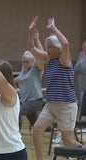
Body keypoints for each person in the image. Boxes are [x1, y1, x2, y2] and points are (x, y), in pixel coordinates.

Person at [28, 16, 83, 160]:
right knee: (37, 129)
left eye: (50, 46)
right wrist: (30, 30)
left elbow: (65, 43)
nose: (47, 49)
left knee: (68, 142)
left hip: (66, 106)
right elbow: (31, 47)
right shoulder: (47, 58)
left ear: (58, 49)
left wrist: (53, 28)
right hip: (51, 105)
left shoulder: (64, 60)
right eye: (47, 46)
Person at [14, 49, 45, 130]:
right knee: (36, 125)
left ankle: (16, 136)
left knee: (17, 112)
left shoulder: (36, 69)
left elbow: (42, 59)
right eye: (23, 62)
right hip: (25, 101)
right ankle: (55, 129)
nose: (24, 64)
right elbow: (19, 79)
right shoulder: (23, 70)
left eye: (26, 62)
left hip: (35, 100)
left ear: (33, 61)